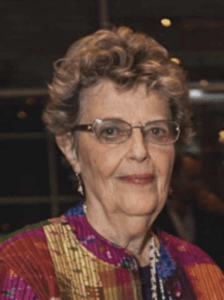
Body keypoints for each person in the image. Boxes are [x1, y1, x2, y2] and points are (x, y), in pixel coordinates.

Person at [0, 26, 224, 300]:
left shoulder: (201, 272)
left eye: (156, 131)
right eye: (111, 131)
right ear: (70, 148)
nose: (140, 151)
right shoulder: (23, 267)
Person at [155, 153, 224, 268]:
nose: (198, 185)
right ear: (173, 178)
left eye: (200, 178)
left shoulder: (206, 215)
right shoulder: (157, 216)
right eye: (192, 178)